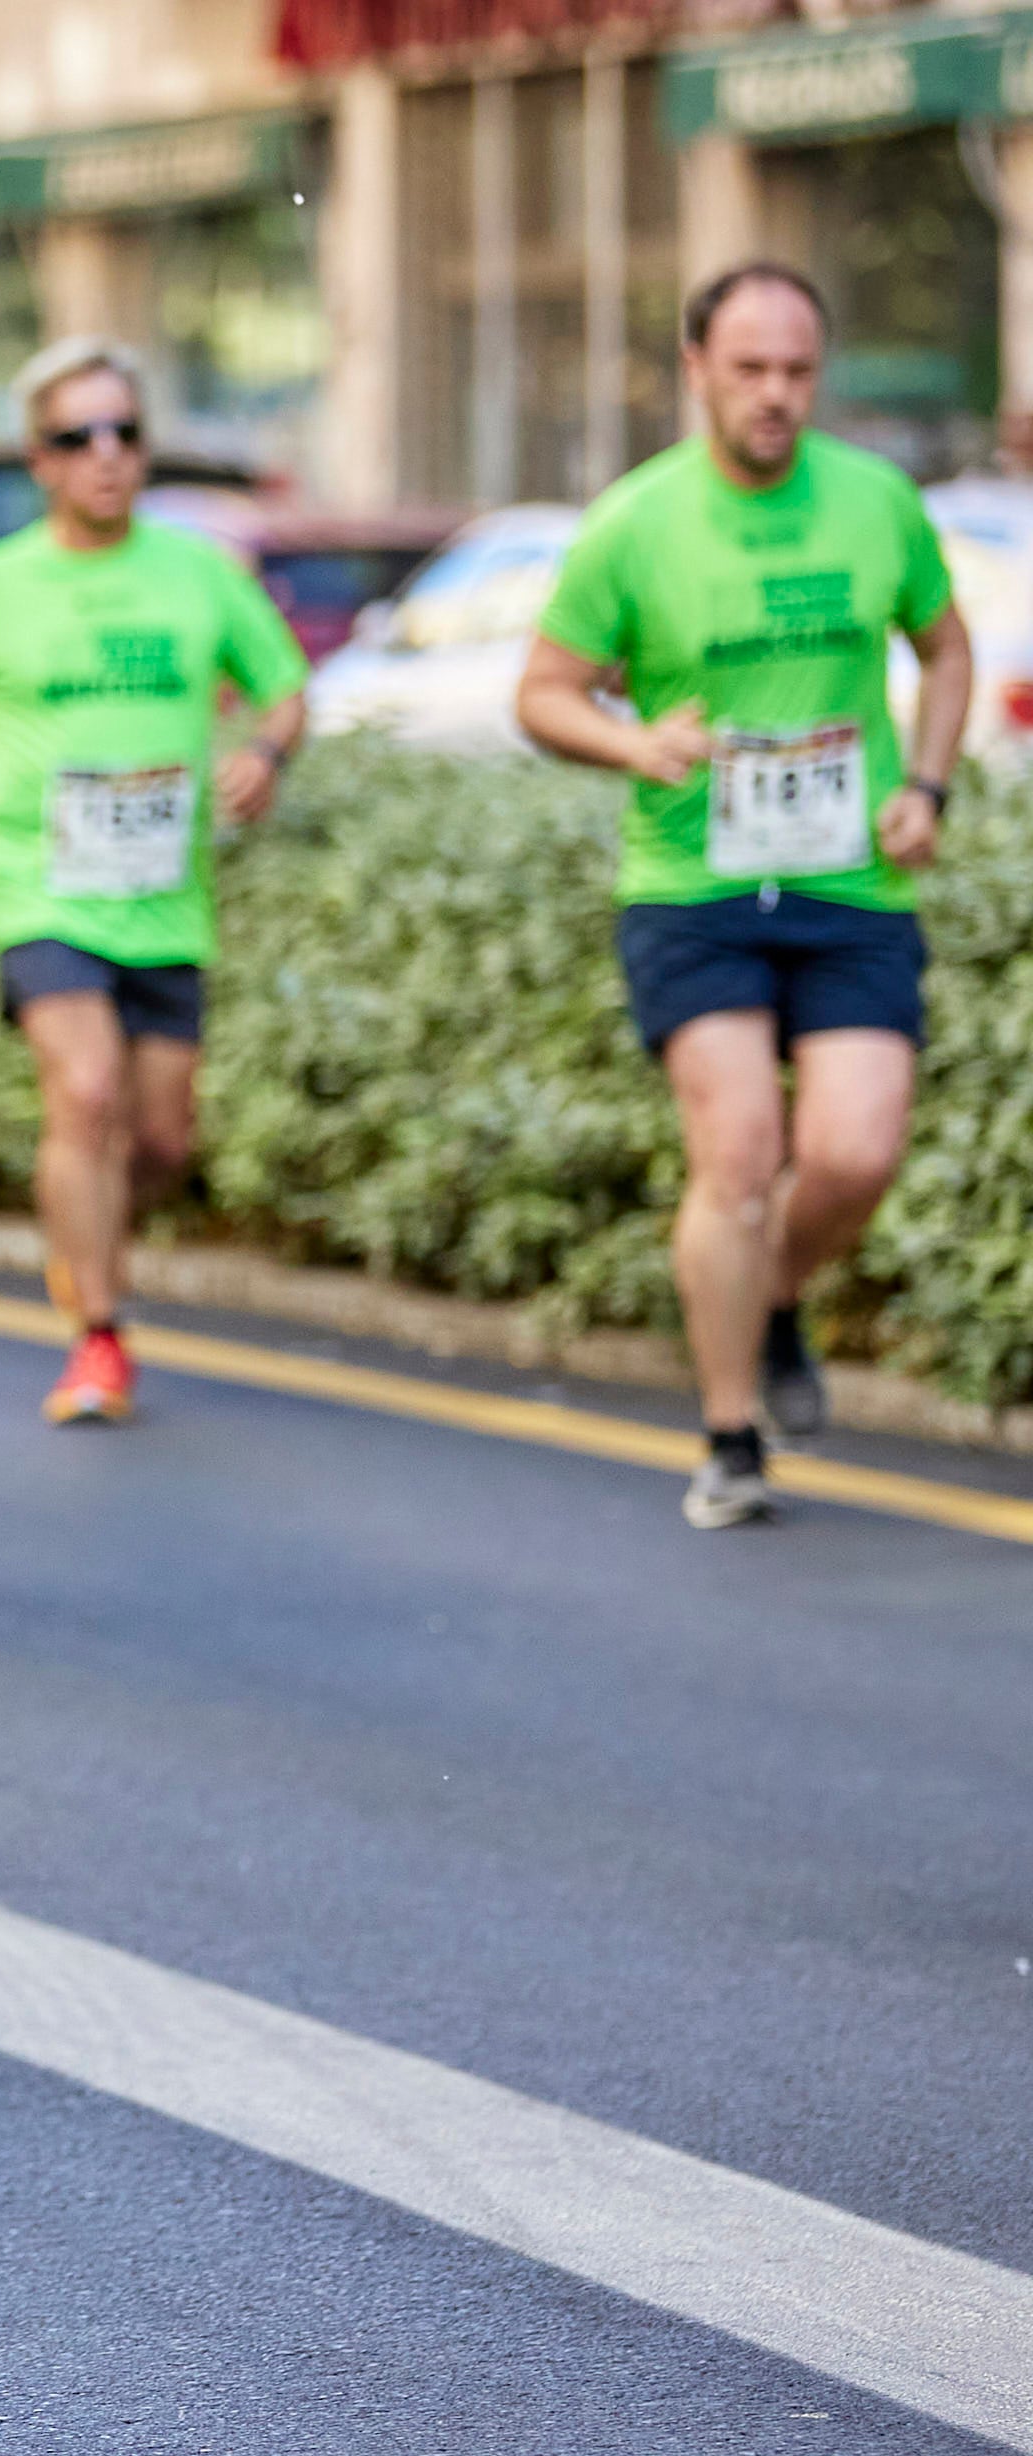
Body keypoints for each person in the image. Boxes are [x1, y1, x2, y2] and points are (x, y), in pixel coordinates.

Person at [517, 262, 968, 1529]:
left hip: (849, 880)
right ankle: (729, 1437)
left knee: (855, 1151)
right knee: (738, 1153)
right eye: (750, 369)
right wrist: (630, 742)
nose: (775, 394)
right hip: (692, 885)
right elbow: (541, 692)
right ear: (696, 369)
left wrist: (927, 786)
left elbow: (945, 652)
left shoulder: (877, 502)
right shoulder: (634, 522)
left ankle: (768, 1293)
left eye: (798, 371)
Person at [0, 337, 306, 1426]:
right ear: (41, 459)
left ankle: (88, 1240)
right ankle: (100, 1337)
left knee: (160, 1140)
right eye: (78, 437)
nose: (107, 454)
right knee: (85, 1089)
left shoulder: (200, 572)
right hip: (39, 883)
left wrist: (265, 751)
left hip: (165, 895)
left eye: (125, 431)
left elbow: (283, 687)